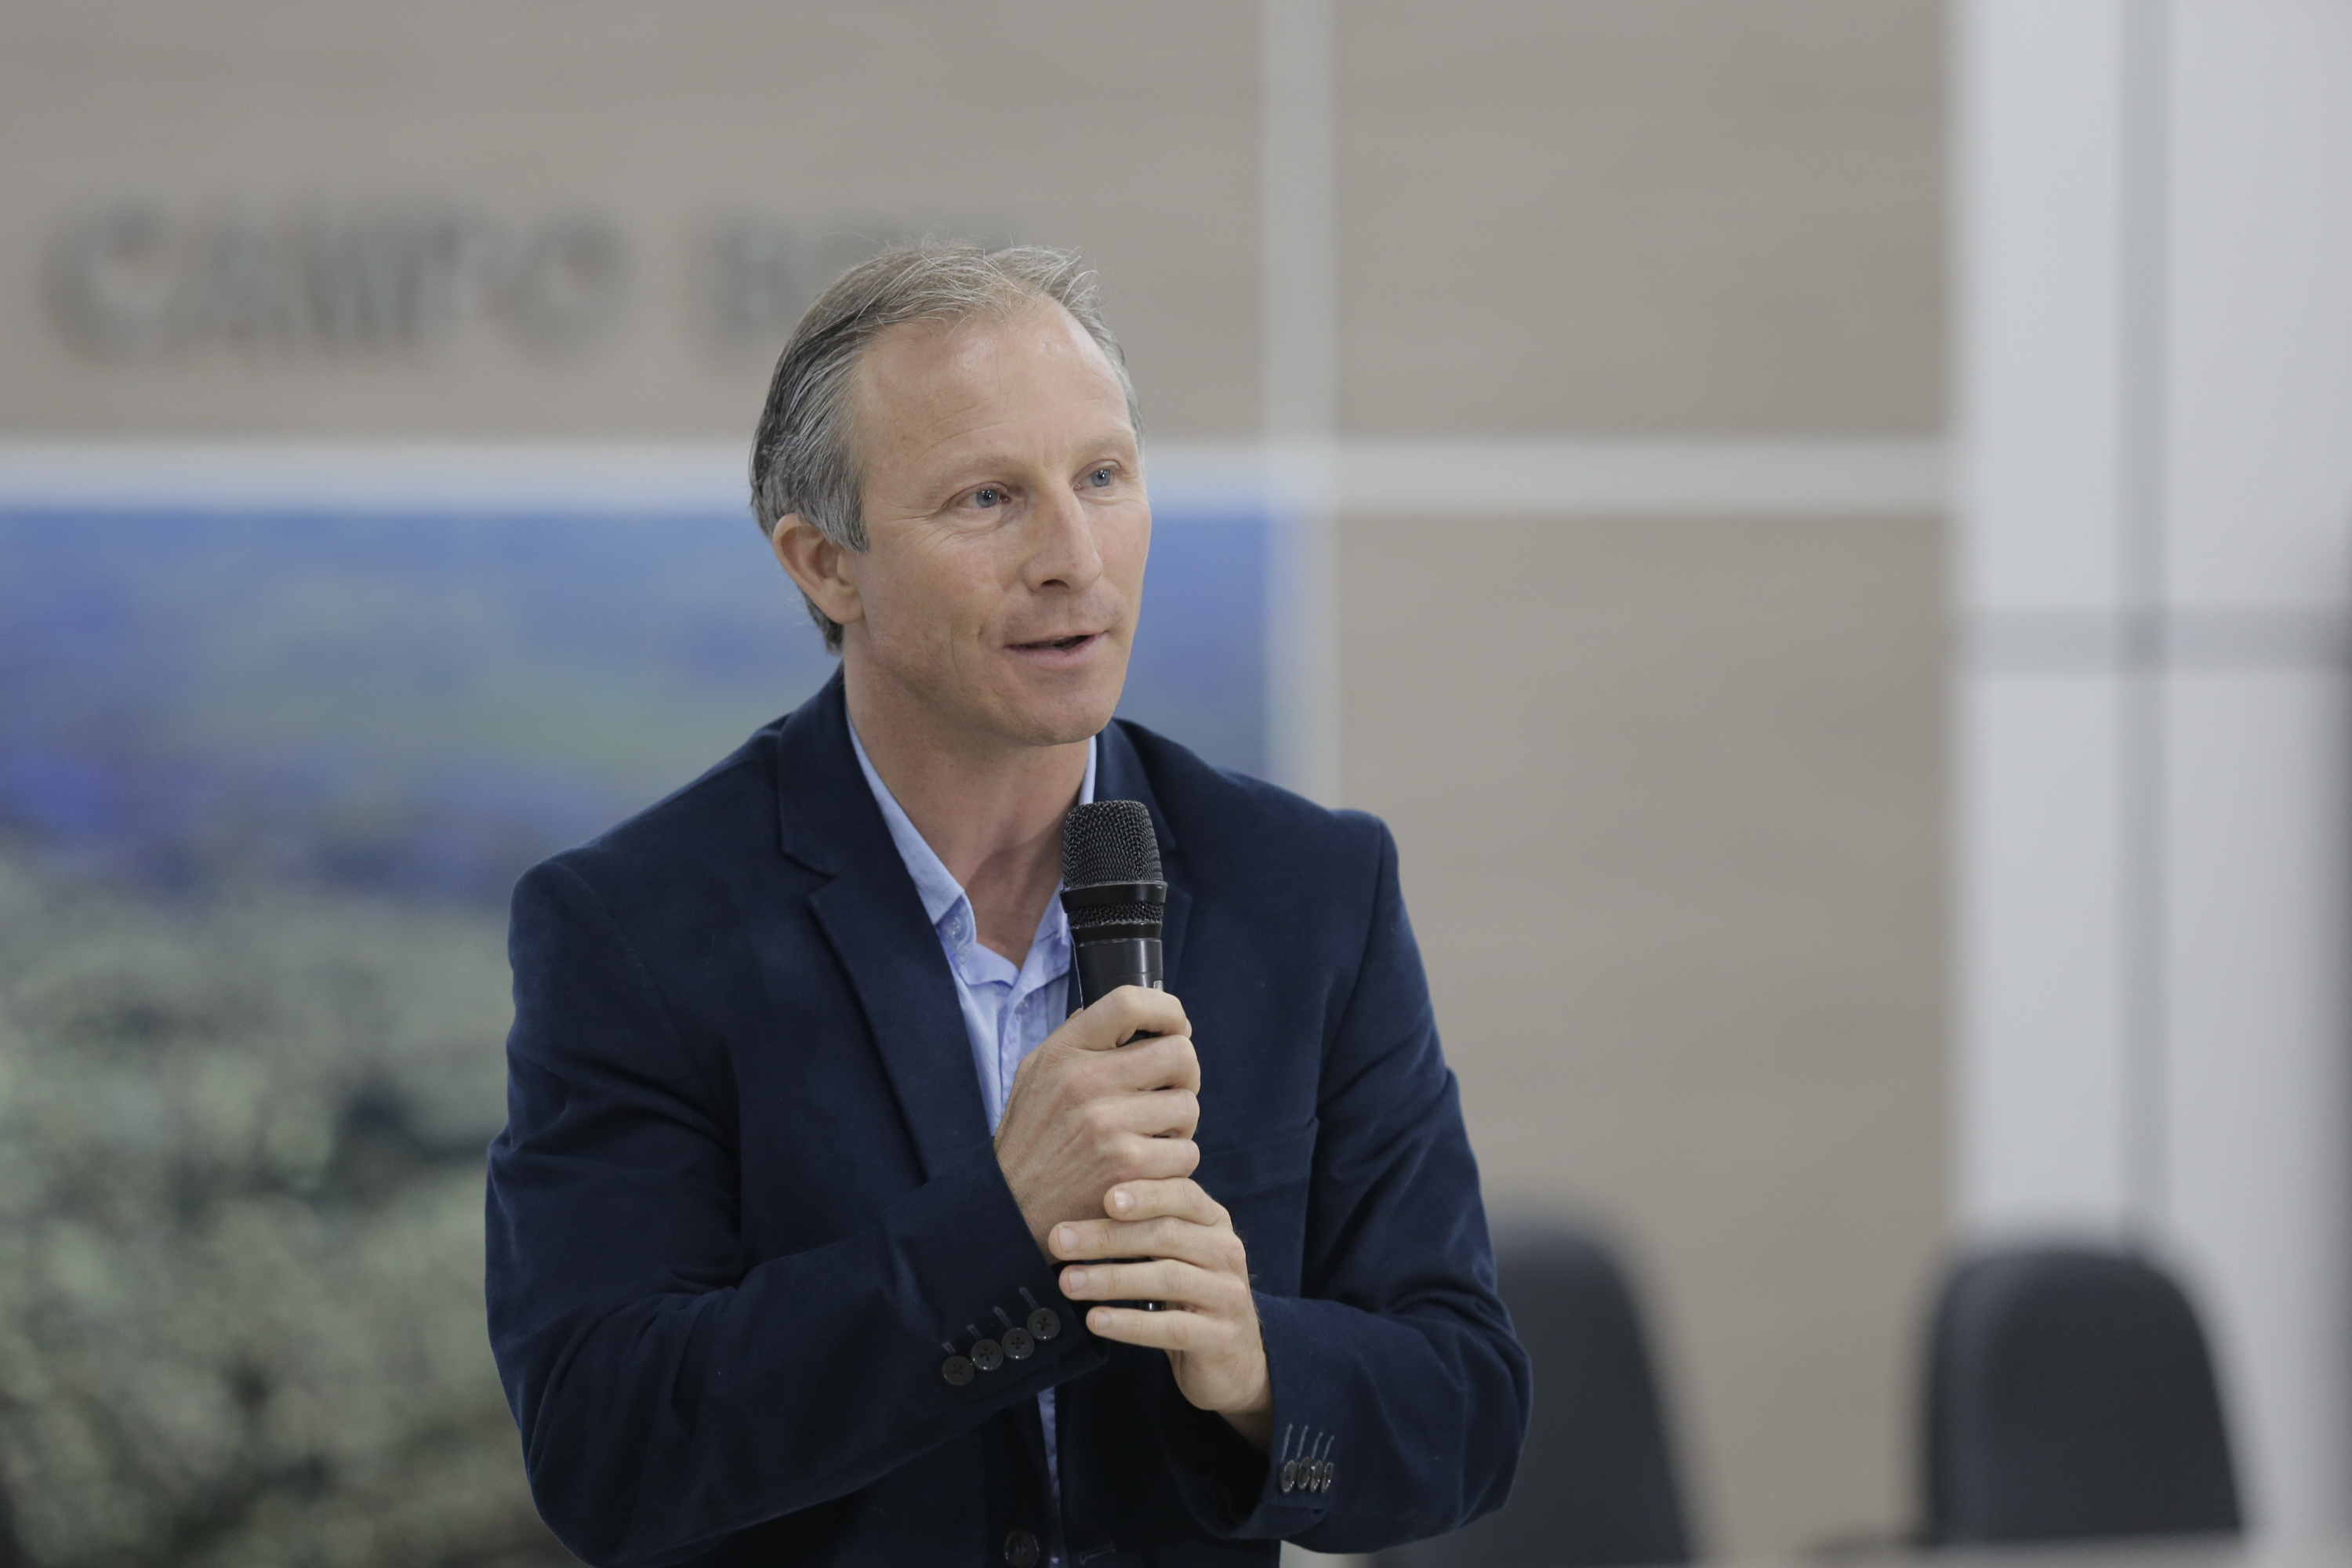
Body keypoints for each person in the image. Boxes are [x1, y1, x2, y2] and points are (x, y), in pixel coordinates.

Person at [485, 242, 1529, 1567]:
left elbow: (1467, 1409)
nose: (1073, 557)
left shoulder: (1310, 890)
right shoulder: (634, 927)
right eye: (988, 498)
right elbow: (608, 1451)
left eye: (1103, 477)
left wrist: (1261, 1367)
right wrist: (999, 1227)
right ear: (825, 564)